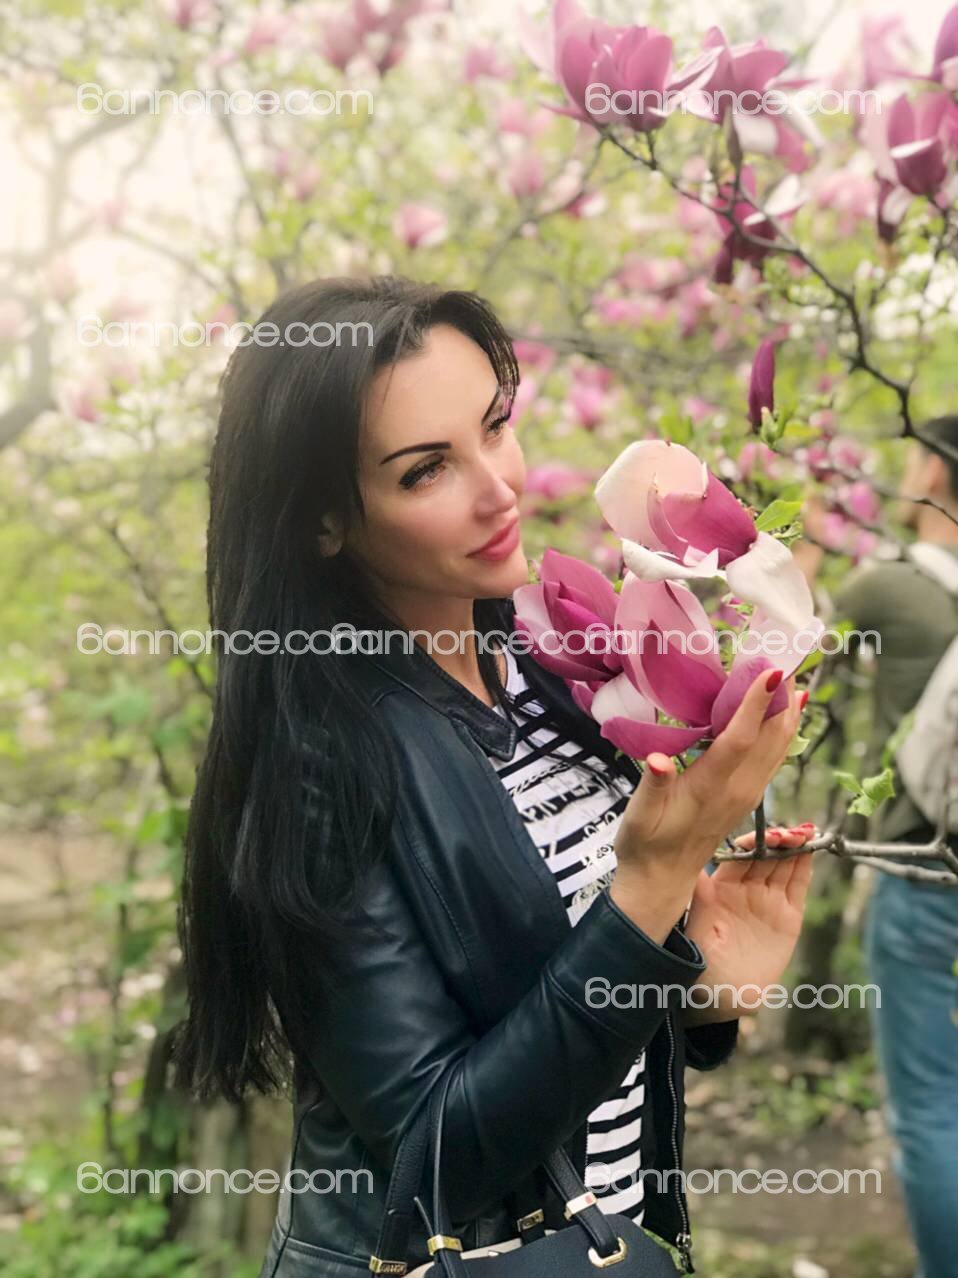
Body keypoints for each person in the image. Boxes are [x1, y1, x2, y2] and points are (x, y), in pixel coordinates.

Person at [171, 275, 814, 1277]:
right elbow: (437, 1157)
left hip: (606, 1245)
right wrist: (651, 886)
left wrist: (699, 990)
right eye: (426, 469)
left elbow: (554, 995)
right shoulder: (319, 762)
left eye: (495, 426)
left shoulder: (547, 665)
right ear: (325, 521)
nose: (498, 486)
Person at [796, 416, 958, 1278]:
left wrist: (798, 540)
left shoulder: (890, 587)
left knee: (932, 1106)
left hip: (926, 878)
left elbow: (789, 656)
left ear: (930, 469)